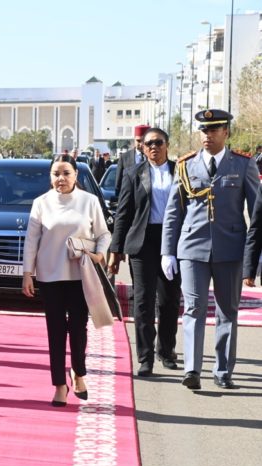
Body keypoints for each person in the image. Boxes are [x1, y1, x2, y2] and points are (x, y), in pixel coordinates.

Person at [161, 109, 259, 391]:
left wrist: (255, 255)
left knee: (228, 311)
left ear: (226, 132)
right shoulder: (186, 165)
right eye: (204, 130)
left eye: (214, 129)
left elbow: (256, 213)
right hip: (192, 248)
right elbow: (173, 212)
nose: (208, 135)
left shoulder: (243, 165)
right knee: (194, 308)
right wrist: (168, 251)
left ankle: (223, 370)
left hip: (231, 248)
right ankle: (192, 369)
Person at [22, 155, 111, 406]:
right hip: (50, 276)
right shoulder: (41, 203)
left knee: (79, 329)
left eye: (66, 173)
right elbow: (31, 240)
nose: (61, 178)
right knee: (56, 331)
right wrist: (27, 273)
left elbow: (104, 234)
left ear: (76, 175)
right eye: (56, 174)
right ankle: (60, 384)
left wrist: (99, 255)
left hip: (81, 275)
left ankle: (79, 373)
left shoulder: (89, 201)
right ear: (50, 177)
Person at [108, 127, 181, 377]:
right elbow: (123, 214)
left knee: (169, 301)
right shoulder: (134, 174)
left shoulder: (180, 172)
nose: (153, 147)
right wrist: (116, 250)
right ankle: (145, 357)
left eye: (158, 142)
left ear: (167, 145)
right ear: (142, 147)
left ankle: (166, 350)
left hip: (172, 243)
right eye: (148, 143)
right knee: (143, 302)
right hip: (142, 243)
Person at [115, 124, 149, 196]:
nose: (141, 144)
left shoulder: (155, 158)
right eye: (138, 140)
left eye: (144, 141)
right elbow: (118, 182)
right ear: (134, 140)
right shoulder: (124, 158)